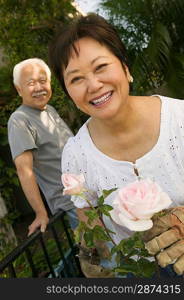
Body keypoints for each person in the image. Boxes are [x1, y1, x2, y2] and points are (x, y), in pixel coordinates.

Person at [48, 13, 184, 277]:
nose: (94, 85)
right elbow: (88, 220)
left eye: (101, 67)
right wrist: (95, 259)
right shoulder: (76, 155)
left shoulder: (180, 121)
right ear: (68, 93)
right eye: (76, 79)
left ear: (124, 66)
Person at [8, 58, 78, 237]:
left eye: (43, 81)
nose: (39, 88)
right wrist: (40, 212)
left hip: (90, 194)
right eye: (31, 83)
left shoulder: (49, 110)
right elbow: (25, 171)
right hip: (72, 203)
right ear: (19, 89)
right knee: (108, 258)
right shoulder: (19, 120)